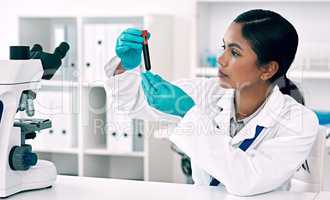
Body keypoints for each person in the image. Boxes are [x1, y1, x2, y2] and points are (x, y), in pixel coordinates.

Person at [104, 9, 319, 196]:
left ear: (267, 69)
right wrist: (125, 67)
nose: (221, 59)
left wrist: (187, 112)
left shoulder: (298, 121)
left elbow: (246, 181)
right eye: (223, 47)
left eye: (234, 52)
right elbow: (130, 104)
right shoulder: (205, 91)